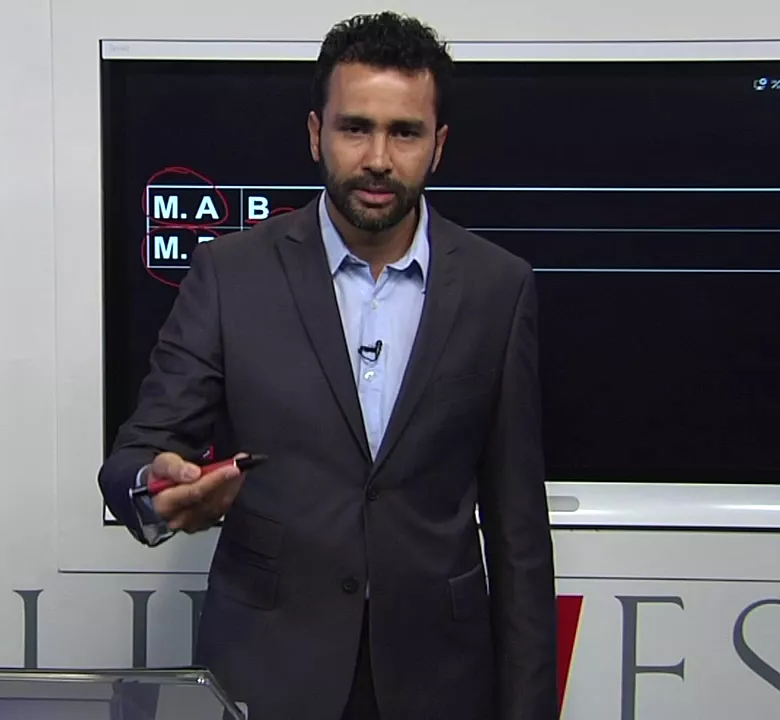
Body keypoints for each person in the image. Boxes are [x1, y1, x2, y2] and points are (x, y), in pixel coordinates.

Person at [98, 11, 558, 720]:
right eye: (355, 128)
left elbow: (518, 532)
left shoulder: (499, 288)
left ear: (438, 146)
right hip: (271, 672)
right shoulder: (231, 275)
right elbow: (136, 456)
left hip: (440, 681)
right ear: (316, 133)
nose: (378, 158)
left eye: (404, 132)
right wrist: (154, 490)